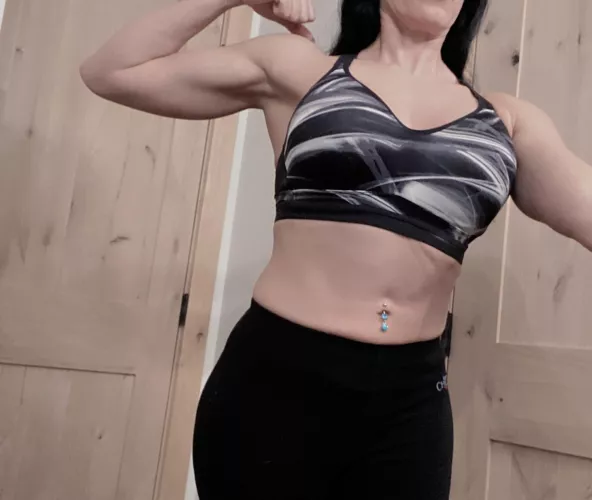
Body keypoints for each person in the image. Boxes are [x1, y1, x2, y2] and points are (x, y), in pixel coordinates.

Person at [80, 0, 592, 498]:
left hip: (409, 403)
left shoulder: (506, 123)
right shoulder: (300, 70)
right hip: (276, 387)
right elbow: (113, 71)